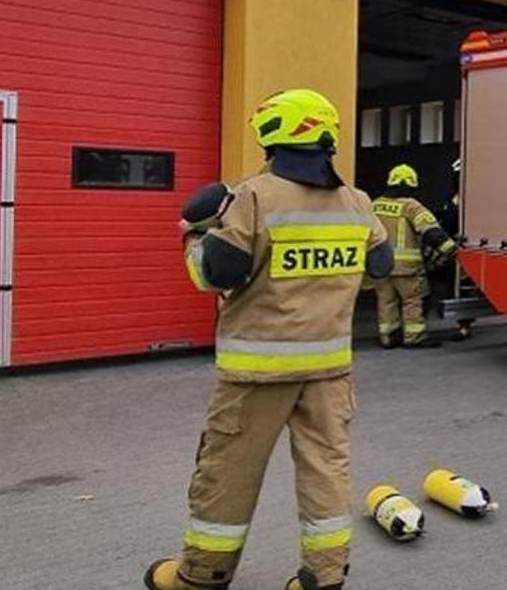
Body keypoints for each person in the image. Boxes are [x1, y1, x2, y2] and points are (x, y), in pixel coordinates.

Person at [145, 88, 391, 590]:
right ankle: (323, 578)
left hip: (257, 373)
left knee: (227, 474)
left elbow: (217, 273)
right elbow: (381, 266)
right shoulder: (358, 202)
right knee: (327, 471)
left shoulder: (253, 197)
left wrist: (193, 235)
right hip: (329, 373)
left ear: (272, 136)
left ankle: (201, 576)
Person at [370, 163, 457, 348]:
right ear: (409, 185)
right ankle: (414, 337)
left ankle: (388, 337)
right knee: (413, 301)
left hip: (380, 266)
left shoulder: (374, 205)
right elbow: (431, 232)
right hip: (406, 268)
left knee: (386, 301)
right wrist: (451, 250)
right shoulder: (411, 206)